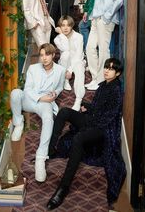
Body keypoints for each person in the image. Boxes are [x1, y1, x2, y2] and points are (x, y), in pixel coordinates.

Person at [46, 58, 126, 210]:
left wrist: (88, 122)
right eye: (106, 67)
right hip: (92, 120)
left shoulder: (116, 90)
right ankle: (50, 150)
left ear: (118, 73)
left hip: (103, 129)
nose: (107, 70)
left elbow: (108, 117)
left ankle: (63, 188)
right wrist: (88, 107)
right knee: (64, 112)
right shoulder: (103, 86)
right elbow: (98, 108)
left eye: (111, 69)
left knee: (78, 138)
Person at [10, 43, 66, 183]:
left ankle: (41, 158)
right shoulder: (33, 68)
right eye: (41, 55)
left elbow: (59, 87)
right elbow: (28, 89)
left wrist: (54, 94)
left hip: (45, 103)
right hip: (32, 99)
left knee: (48, 119)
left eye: (47, 54)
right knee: (16, 93)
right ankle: (18, 124)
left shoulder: (60, 70)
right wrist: (41, 97)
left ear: (53, 55)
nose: (44, 58)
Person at [86, 0, 123, 90]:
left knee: (103, 50)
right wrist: (93, 16)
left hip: (105, 20)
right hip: (96, 19)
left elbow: (118, 0)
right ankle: (96, 77)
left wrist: (106, 17)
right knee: (90, 48)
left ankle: (101, 81)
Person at [54, 15, 85, 111]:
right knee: (66, 54)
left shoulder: (79, 37)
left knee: (79, 68)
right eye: (63, 25)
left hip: (77, 60)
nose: (66, 28)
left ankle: (78, 100)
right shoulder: (57, 39)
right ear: (60, 27)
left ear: (72, 26)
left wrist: (70, 70)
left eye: (68, 25)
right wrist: (61, 35)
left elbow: (78, 55)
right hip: (65, 62)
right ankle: (65, 80)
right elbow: (66, 48)